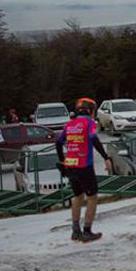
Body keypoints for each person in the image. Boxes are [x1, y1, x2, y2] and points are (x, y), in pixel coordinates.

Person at [55, 97, 114, 242]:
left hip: (70, 165)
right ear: (91, 111)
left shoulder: (69, 124)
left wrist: (62, 160)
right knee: (92, 197)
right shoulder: (90, 123)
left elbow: (58, 142)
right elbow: (94, 139)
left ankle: (76, 230)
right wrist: (106, 157)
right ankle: (87, 230)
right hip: (84, 165)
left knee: (78, 196)